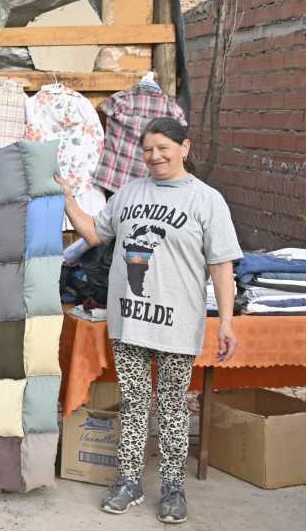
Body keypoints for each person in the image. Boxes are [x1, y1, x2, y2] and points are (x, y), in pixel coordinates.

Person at [58, 116, 241, 525]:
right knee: (135, 403)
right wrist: (68, 199)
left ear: (185, 148)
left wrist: (226, 322)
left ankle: (174, 487)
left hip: (178, 325)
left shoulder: (206, 200)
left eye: (163, 148)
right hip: (129, 322)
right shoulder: (128, 193)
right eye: (147, 150)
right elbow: (94, 234)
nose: (155, 156)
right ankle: (129, 481)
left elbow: (222, 266)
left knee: (174, 406)